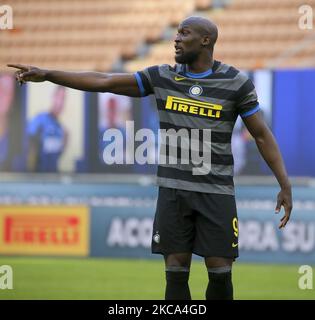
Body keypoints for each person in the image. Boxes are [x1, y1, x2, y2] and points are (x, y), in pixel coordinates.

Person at [8, 16, 293, 300]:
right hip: (173, 192)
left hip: (216, 194)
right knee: (176, 271)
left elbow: (261, 135)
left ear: (206, 40)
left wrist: (284, 184)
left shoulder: (235, 82)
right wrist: (48, 74)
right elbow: (105, 81)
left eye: (184, 33)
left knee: (220, 273)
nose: (176, 39)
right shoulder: (162, 76)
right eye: (177, 33)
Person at [27, 86, 68, 172]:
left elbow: (56, 155)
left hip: (53, 175)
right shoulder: (40, 120)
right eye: (58, 97)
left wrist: (64, 143)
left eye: (63, 98)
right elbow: (29, 142)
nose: (60, 102)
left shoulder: (61, 129)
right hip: (37, 175)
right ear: (53, 97)